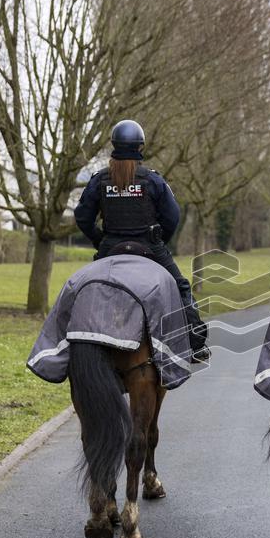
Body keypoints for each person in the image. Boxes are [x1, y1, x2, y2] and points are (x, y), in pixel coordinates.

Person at [74, 119, 210, 363]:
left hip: (111, 249)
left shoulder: (98, 180)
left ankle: (71, 346)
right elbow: (172, 217)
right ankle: (196, 343)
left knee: (85, 289)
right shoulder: (153, 180)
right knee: (180, 287)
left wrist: (100, 240)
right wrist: (159, 241)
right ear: (140, 147)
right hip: (149, 248)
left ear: (114, 145)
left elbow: (83, 217)